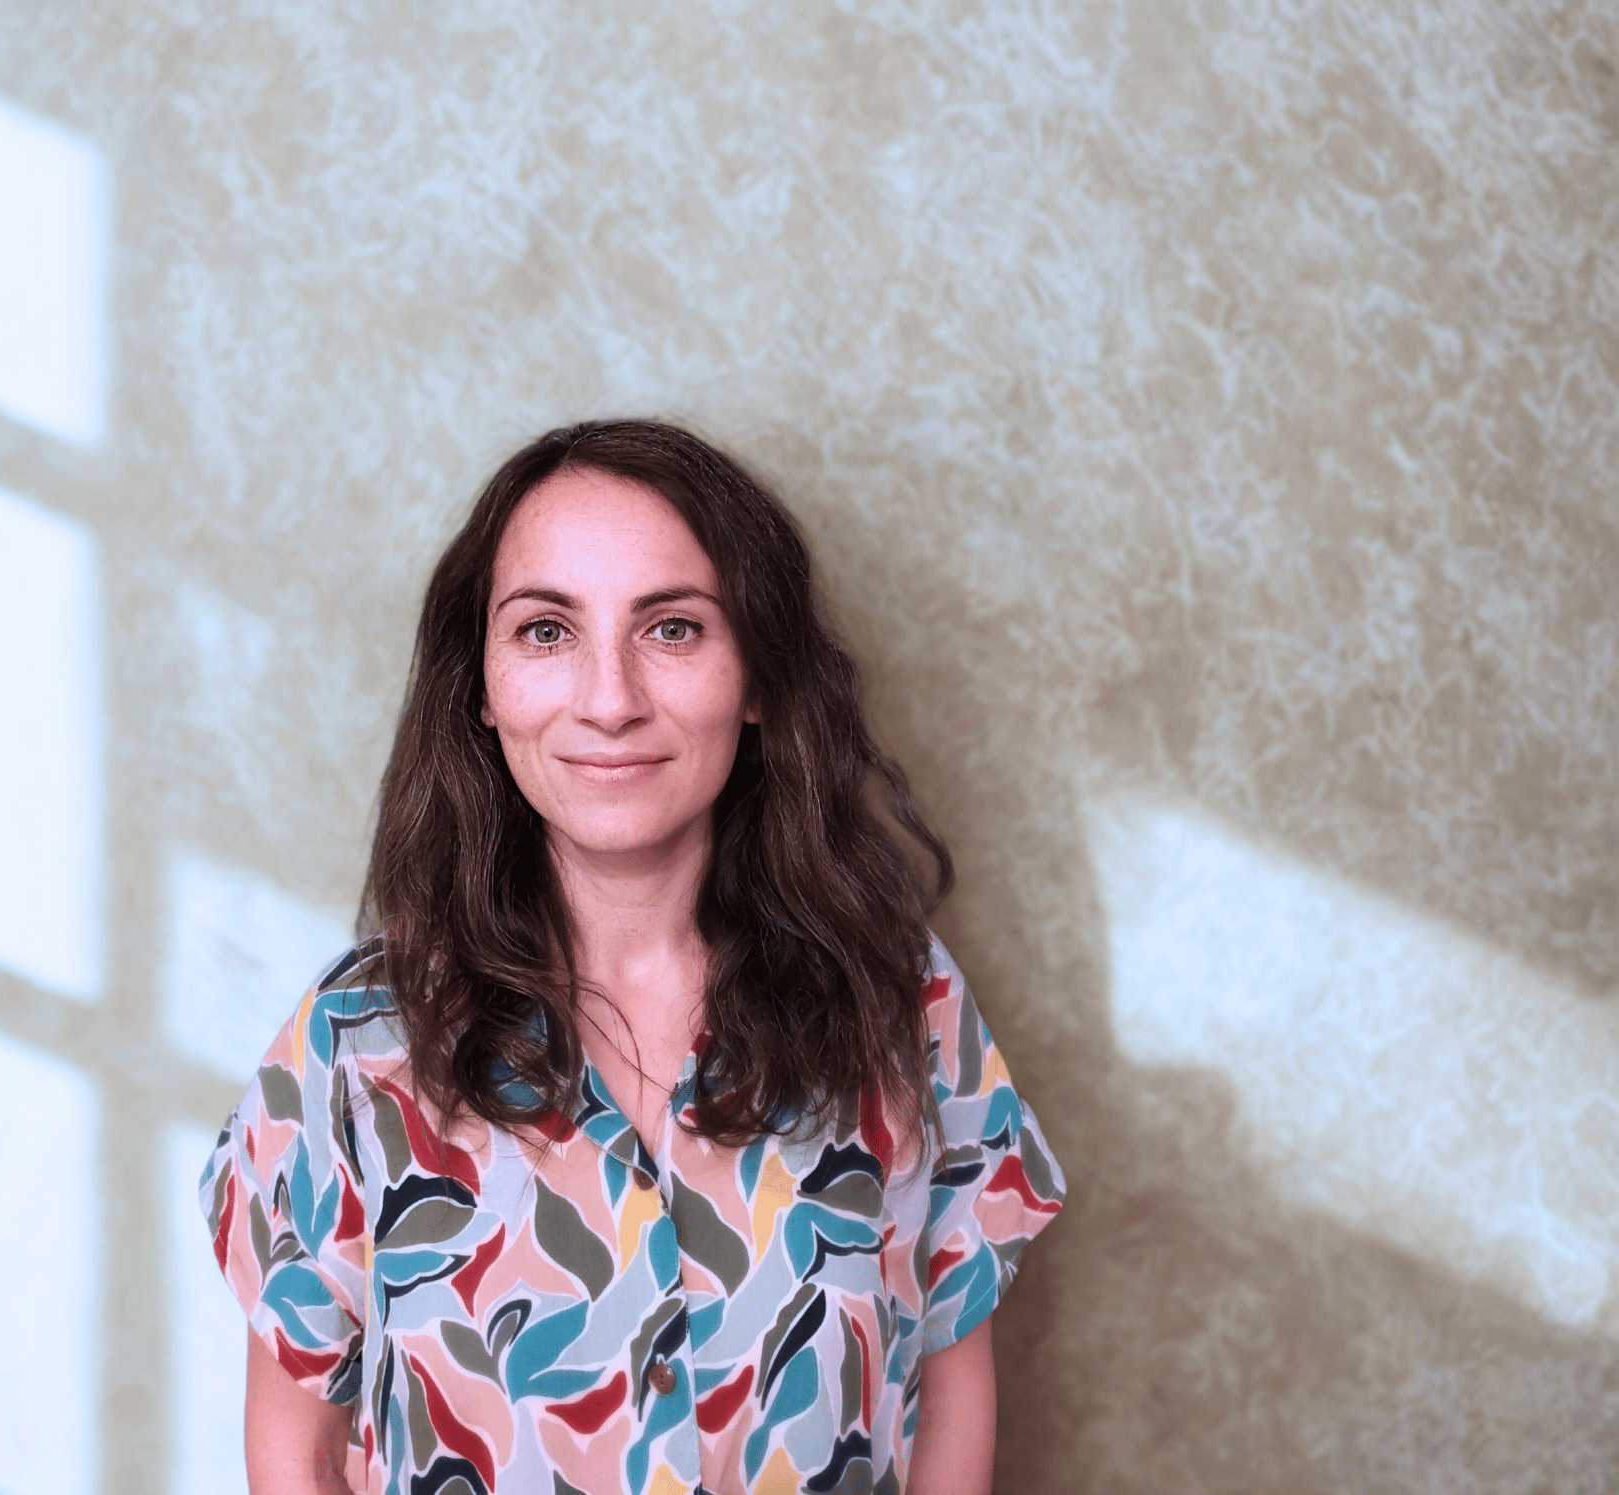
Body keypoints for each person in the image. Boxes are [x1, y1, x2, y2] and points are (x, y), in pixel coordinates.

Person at [199, 419, 1064, 1495]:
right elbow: (294, 1457)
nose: (608, 700)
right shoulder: (355, 1040)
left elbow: (949, 1392)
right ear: (482, 685)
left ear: (755, 675)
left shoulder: (895, 993)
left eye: (671, 629)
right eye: (545, 631)